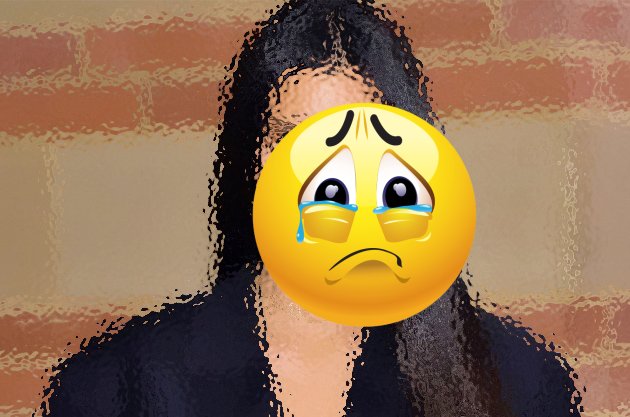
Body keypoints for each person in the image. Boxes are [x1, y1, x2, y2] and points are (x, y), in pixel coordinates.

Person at [42, 1, 582, 416]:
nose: (326, 177)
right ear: (252, 162)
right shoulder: (117, 389)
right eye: (293, 141)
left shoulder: (523, 385)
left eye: (359, 143)